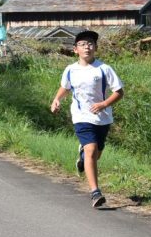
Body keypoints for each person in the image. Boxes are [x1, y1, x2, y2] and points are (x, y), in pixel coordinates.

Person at [50, 30, 124, 208]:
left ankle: (83, 157)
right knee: (91, 149)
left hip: (103, 118)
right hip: (81, 116)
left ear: (95, 48)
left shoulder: (104, 69)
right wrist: (57, 99)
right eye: (83, 44)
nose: (87, 47)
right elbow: (65, 88)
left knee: (96, 153)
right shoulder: (70, 70)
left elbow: (119, 92)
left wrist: (104, 104)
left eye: (91, 44)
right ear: (75, 49)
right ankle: (95, 192)